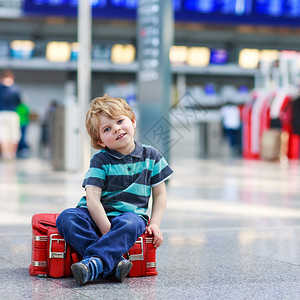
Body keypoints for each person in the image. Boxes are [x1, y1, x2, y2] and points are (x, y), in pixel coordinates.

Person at [56, 94, 173, 286]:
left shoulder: (151, 155)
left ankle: (94, 262)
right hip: (94, 215)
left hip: (128, 216)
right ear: (100, 141)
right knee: (66, 217)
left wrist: (156, 224)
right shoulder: (100, 160)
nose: (116, 128)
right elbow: (92, 198)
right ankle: (112, 262)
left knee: (133, 223)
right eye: (107, 129)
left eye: (120, 121)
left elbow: (160, 194)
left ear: (133, 122)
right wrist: (107, 230)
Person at [0, 70, 21, 160]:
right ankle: (12, 154)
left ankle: (5, 154)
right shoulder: (15, 88)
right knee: (14, 135)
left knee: (3, 135)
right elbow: (19, 102)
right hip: (12, 113)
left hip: (1, 113)